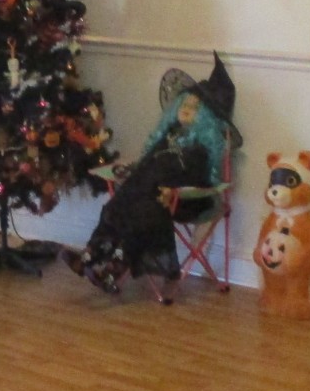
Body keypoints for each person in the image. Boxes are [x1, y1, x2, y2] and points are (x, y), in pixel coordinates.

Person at [63, 56, 235, 301]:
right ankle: (108, 265)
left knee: (138, 198)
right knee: (141, 199)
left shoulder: (200, 151)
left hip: (187, 199)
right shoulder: (168, 136)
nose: (186, 109)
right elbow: (148, 169)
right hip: (154, 199)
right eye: (184, 103)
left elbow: (192, 182)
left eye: (195, 107)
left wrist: (153, 178)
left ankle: (97, 256)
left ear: (205, 116)